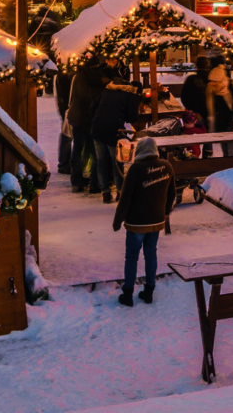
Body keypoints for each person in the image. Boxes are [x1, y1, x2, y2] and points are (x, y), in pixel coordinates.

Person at [113, 136, 176, 307]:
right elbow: (172, 193)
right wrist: (165, 212)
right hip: (155, 221)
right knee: (151, 254)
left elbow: (125, 198)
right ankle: (149, 292)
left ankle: (127, 294)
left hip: (136, 223)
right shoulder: (166, 166)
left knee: (132, 257)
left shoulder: (136, 169)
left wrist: (118, 220)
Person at [90, 58, 144, 203]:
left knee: (101, 161)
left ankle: (105, 192)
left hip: (97, 128)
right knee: (117, 162)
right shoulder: (131, 94)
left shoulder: (108, 88)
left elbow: (93, 106)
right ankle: (120, 191)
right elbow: (133, 117)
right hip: (114, 130)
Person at [67, 56, 112, 194]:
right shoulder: (102, 79)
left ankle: (77, 182)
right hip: (92, 119)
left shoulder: (79, 77)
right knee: (94, 152)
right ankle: (95, 183)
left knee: (78, 150)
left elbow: (75, 96)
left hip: (78, 117)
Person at [205, 54, 233, 157]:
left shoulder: (212, 73)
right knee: (230, 132)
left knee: (224, 133)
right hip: (225, 105)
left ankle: (227, 156)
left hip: (218, 106)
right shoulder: (223, 72)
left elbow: (212, 91)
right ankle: (232, 157)